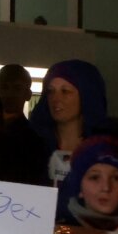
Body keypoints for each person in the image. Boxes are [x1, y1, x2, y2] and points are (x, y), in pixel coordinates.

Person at [30, 59, 109, 187]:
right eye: (50, 91)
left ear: (86, 95)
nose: (56, 99)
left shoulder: (106, 149)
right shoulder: (30, 146)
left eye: (65, 91)